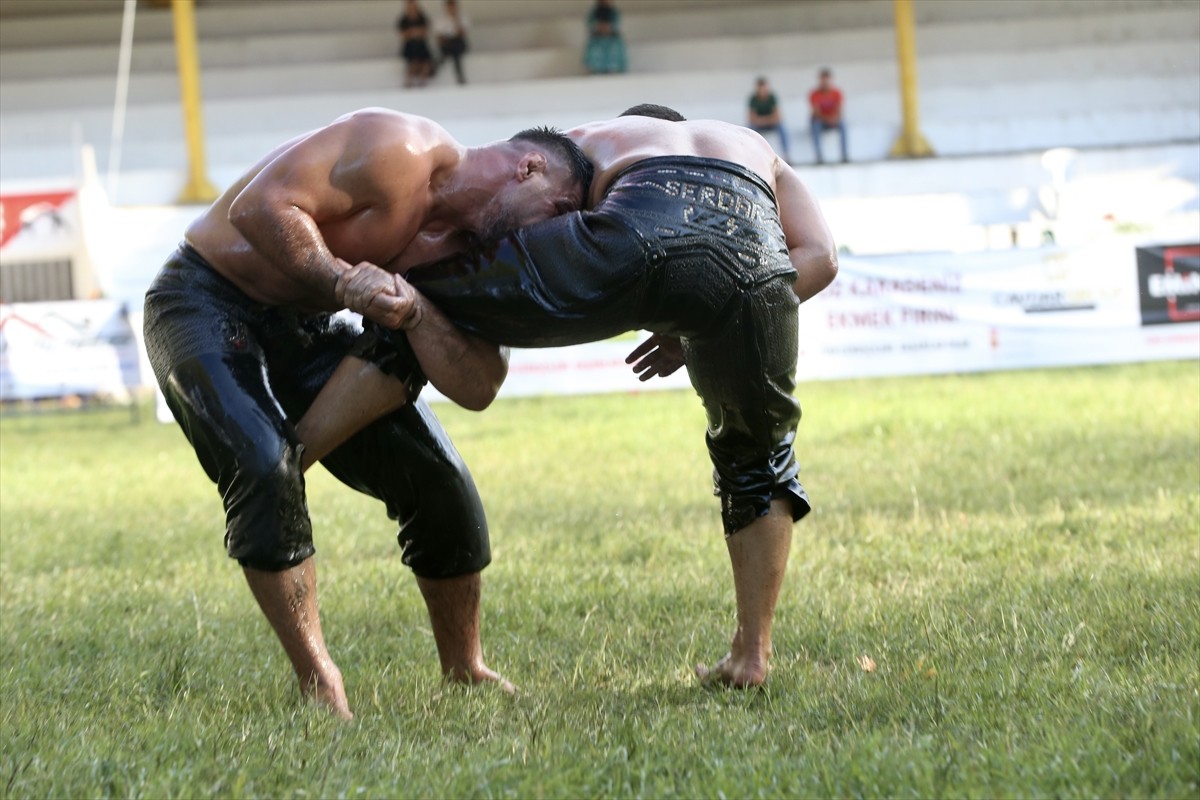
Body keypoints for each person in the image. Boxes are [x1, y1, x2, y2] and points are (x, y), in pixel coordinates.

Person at [296, 108, 839, 688]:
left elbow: (505, 204)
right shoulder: (755, 145)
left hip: (635, 224)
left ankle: (290, 453)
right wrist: (706, 314)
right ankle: (751, 656)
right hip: (756, 254)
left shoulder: (588, 141)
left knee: (416, 302)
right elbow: (820, 258)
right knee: (759, 458)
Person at [141, 107, 592, 719]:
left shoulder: (478, 255)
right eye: (559, 213)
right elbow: (260, 207)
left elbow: (480, 382)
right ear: (529, 168)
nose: (552, 234)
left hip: (304, 326)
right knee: (262, 463)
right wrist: (338, 278)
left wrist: (418, 314)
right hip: (201, 297)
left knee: (440, 481)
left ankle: (466, 667)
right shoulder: (399, 148)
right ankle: (317, 677)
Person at [747, 76, 792, 165]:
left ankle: (786, 154)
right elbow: (751, 118)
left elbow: (778, 117)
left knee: (782, 127)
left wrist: (762, 120)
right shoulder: (753, 99)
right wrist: (768, 119)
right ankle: (750, 155)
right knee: (750, 129)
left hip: (770, 124)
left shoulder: (772, 97)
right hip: (760, 125)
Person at [809, 67, 848, 164]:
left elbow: (840, 110)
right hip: (821, 121)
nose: (825, 83)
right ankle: (819, 156)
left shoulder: (837, 93)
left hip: (833, 120)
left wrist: (834, 119)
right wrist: (828, 119)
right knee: (815, 125)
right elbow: (816, 113)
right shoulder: (814, 94)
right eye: (823, 80)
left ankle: (844, 154)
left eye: (827, 80)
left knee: (843, 124)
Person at [397, 0, 436, 88]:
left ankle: (421, 78)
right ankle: (410, 79)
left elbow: (425, 32)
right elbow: (403, 35)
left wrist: (412, 32)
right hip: (409, 47)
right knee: (414, 56)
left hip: (421, 46)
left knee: (425, 59)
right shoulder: (403, 19)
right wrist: (415, 32)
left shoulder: (422, 17)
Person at [583, 0, 628, 75]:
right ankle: (595, 69)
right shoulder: (594, 12)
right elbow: (590, 23)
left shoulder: (614, 12)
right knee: (594, 48)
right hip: (597, 37)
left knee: (616, 46)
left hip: (611, 37)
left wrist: (609, 28)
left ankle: (613, 68)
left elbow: (616, 23)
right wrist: (598, 27)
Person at [433, 0, 469, 85]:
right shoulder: (441, 19)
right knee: (452, 49)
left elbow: (462, 33)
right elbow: (439, 37)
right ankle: (459, 77)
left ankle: (437, 66)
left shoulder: (462, 17)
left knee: (455, 48)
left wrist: (455, 20)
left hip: (458, 43)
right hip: (447, 44)